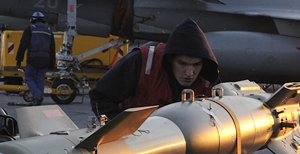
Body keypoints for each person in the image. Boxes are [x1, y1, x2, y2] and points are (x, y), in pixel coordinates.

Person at [88, 18, 218, 117]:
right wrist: (125, 132)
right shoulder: (141, 61)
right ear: (170, 59)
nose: (189, 73)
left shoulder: (209, 77)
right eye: (182, 64)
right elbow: (100, 97)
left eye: (196, 65)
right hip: (137, 142)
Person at [16, 11, 55, 104]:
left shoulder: (30, 29)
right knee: (40, 79)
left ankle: (37, 96)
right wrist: (52, 63)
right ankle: (37, 100)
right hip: (45, 59)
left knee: (29, 77)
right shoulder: (49, 31)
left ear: (32, 20)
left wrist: (19, 59)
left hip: (33, 58)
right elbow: (52, 48)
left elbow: (23, 45)